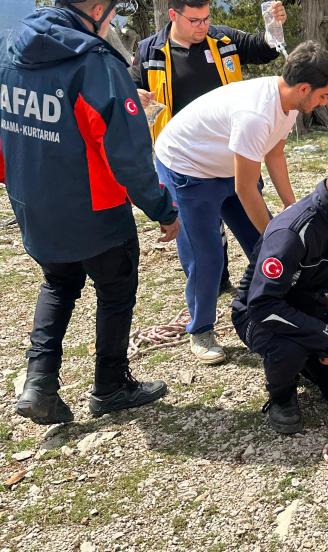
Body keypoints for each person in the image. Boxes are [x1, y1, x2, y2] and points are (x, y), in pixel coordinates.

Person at [0, 0, 180, 425]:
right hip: (95, 208)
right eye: (113, 13)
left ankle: (39, 382)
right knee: (116, 288)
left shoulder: (9, 49)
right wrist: (162, 209)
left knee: (58, 282)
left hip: (34, 202)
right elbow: (128, 158)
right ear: (98, 9)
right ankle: (110, 385)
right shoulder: (96, 63)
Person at [153, 40, 328, 365]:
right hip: (187, 166)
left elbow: (275, 154)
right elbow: (245, 189)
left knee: (263, 240)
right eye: (323, 95)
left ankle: (284, 301)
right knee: (207, 256)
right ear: (304, 88)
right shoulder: (256, 114)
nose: (324, 102)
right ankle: (201, 330)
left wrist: (291, 209)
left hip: (229, 163)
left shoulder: (288, 105)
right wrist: (276, 234)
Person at [230, 145, 328, 434]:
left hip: (306, 304)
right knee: (289, 347)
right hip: (259, 313)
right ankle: (281, 397)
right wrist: (324, 336)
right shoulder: (292, 233)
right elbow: (262, 304)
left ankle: (308, 358)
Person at [130, 0, 288, 295]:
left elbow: (263, 49)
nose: (203, 26)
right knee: (202, 239)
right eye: (195, 20)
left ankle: (275, 280)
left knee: (253, 225)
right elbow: (131, 88)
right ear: (173, 15)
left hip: (232, 155)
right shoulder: (150, 51)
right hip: (184, 160)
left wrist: (273, 27)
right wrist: (135, 94)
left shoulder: (223, 39)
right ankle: (214, 286)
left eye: (206, 18)